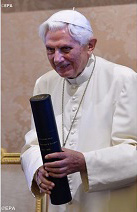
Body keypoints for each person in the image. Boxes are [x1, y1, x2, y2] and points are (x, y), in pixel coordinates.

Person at [21, 10, 137, 212]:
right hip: (61, 204)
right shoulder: (44, 82)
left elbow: (133, 151)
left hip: (108, 203)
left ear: (90, 45)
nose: (57, 59)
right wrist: (38, 168)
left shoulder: (123, 79)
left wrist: (85, 162)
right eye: (50, 50)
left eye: (65, 49)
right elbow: (33, 143)